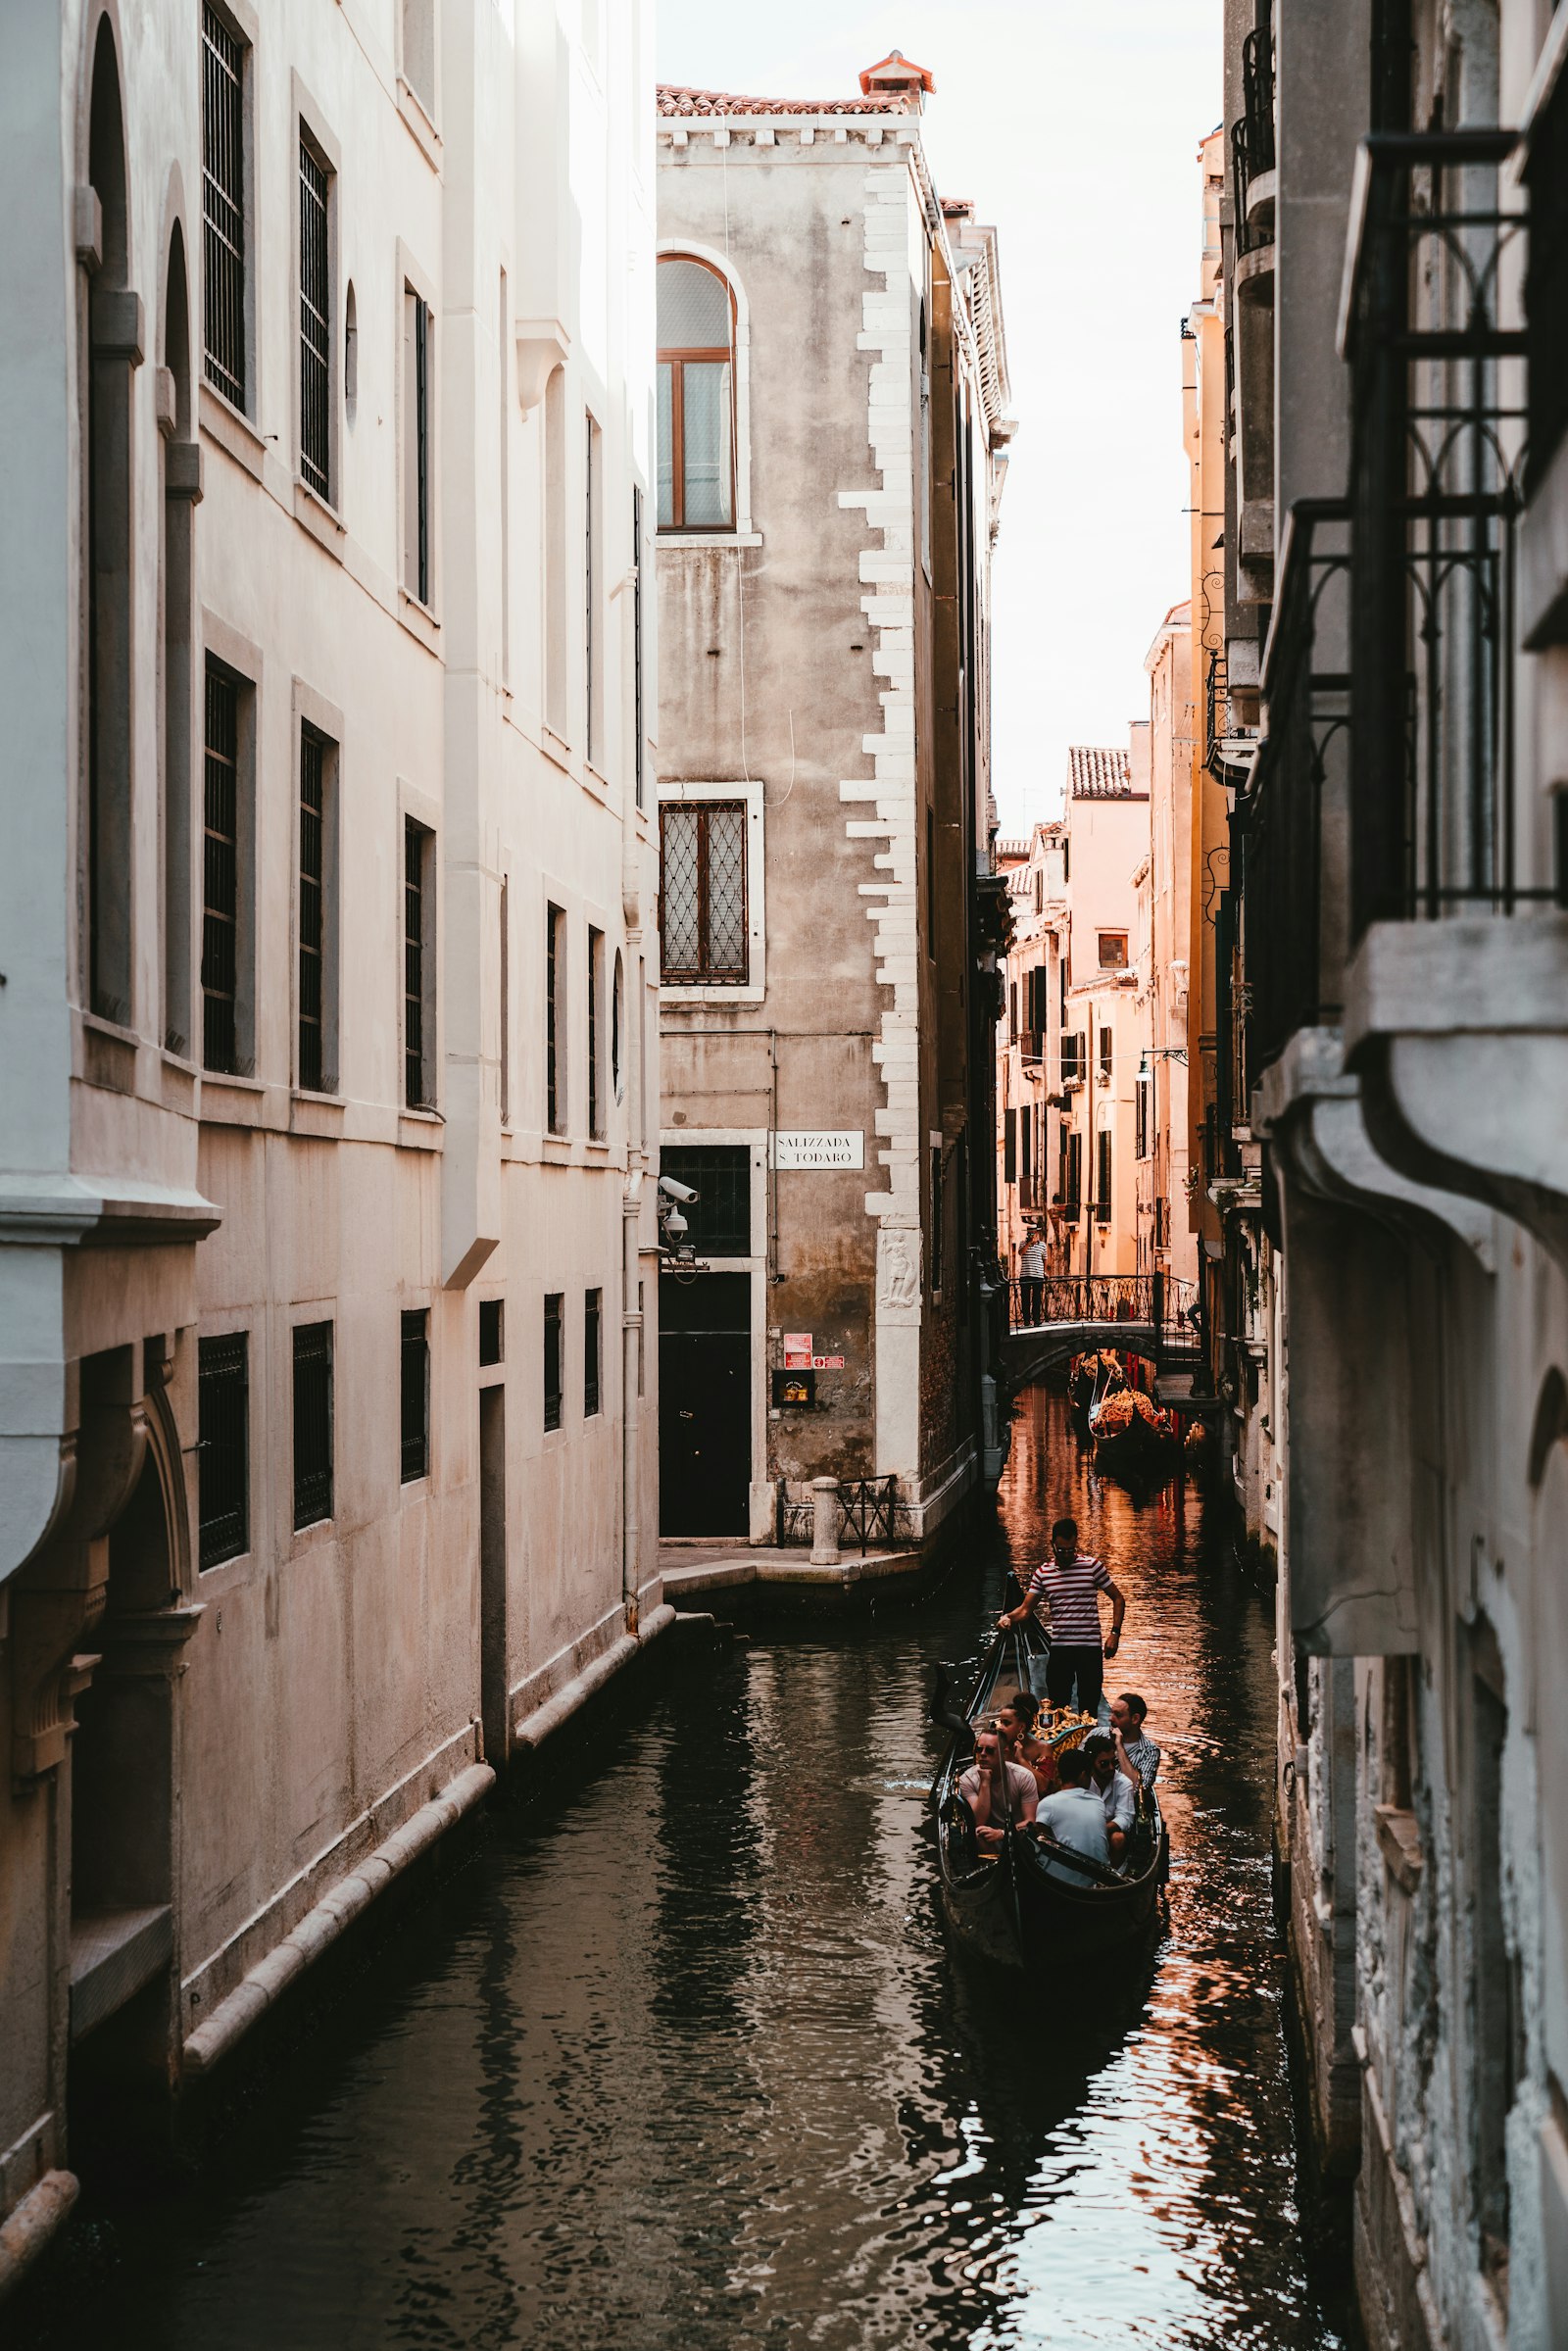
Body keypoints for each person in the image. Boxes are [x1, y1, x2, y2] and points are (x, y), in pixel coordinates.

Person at [997, 1515, 1127, 1719]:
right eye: (1061, 1550)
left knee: (1089, 1706)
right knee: (1058, 1707)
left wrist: (1115, 1634)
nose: (1066, 1555)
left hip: (1089, 1649)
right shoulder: (1043, 1574)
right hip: (1061, 1649)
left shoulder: (1092, 1567)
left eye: (1070, 1550)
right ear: (1052, 1545)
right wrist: (1008, 1618)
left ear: (1075, 1543)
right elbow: (1025, 1610)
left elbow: (1118, 1598)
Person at [1027, 1744, 1110, 1884]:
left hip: (1063, 1882)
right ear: (1083, 1775)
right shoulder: (1098, 1802)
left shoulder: (1047, 1804)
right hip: (1099, 1878)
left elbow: (1044, 1843)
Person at [956, 1728, 1038, 1851]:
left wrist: (1001, 1833)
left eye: (989, 1750)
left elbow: (1031, 1822)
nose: (983, 1754)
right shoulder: (967, 1779)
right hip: (987, 1839)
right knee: (976, 1833)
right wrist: (985, 1782)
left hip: (1018, 1838)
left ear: (1003, 1753)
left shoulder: (1023, 1777)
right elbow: (978, 1821)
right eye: (979, 1750)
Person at [995, 1690, 1055, 1796]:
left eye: (1006, 1723)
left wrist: (1021, 1760)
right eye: (1000, 1722)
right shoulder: (994, 1746)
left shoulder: (1043, 1749)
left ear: (1021, 1727)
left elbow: (1043, 1788)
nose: (1000, 1727)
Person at [1084, 1732, 1134, 1860]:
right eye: (1104, 1764)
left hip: (1109, 1835)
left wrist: (1099, 1830)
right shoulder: (1082, 1781)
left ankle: (1113, 1874)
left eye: (1114, 1762)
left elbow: (1125, 1818)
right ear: (1091, 1763)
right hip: (1083, 1833)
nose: (1111, 1768)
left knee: (1118, 1838)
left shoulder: (1123, 1783)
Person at [1108, 1691, 1161, 1791]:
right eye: (1111, 1713)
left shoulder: (1150, 1752)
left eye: (1118, 1715)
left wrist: (1119, 1746)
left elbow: (1138, 1790)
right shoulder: (1098, 1733)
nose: (1110, 1718)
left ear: (1135, 1719)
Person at [1019, 1231, 1046, 1327]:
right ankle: (1026, 1320)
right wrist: (1029, 1243)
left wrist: (1044, 1271)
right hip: (1025, 1275)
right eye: (1029, 1234)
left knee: (1037, 1298)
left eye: (1033, 1234)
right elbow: (1021, 1253)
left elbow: (1044, 1259)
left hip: (1038, 1275)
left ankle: (1036, 1320)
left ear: (1037, 1234)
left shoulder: (1043, 1245)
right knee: (1025, 1299)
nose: (1031, 1236)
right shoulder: (1022, 1243)